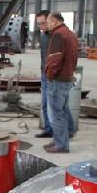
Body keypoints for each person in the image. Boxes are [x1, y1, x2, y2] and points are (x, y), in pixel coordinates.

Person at [44, 12, 78, 153]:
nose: (47, 25)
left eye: (48, 22)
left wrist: (50, 76)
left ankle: (61, 145)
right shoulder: (70, 34)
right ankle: (60, 140)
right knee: (62, 112)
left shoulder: (58, 35)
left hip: (58, 80)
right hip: (66, 78)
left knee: (57, 114)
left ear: (55, 21)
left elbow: (55, 59)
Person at [35, 10, 53, 139]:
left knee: (57, 105)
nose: (41, 26)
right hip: (45, 74)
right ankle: (48, 129)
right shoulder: (43, 36)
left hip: (55, 75)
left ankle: (68, 130)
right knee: (45, 103)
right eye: (39, 24)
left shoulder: (58, 36)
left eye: (43, 23)